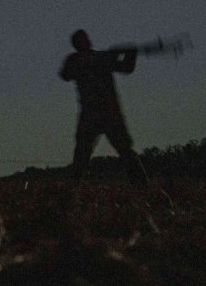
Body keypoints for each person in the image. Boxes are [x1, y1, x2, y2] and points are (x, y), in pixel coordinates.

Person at [59, 29, 148, 186]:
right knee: (82, 155)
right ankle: (75, 187)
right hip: (97, 113)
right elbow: (65, 74)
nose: (87, 41)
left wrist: (131, 53)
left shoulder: (100, 58)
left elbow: (127, 68)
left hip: (104, 113)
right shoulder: (84, 59)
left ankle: (141, 185)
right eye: (83, 39)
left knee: (123, 151)